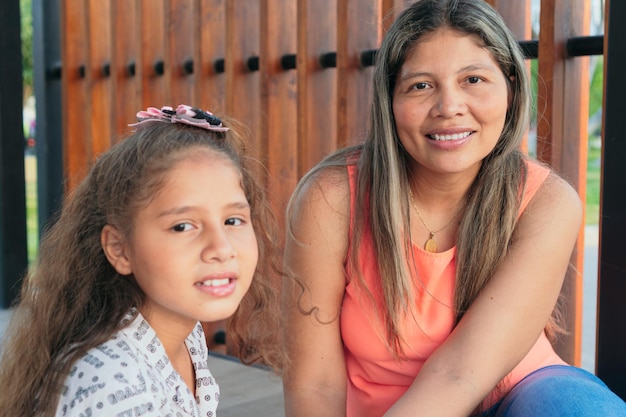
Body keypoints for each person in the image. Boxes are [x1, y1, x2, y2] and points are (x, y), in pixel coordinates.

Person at [281, 1, 626, 416]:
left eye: (474, 79)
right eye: (420, 86)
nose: (449, 107)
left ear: (512, 87)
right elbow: (313, 384)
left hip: (516, 397)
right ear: (390, 100)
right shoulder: (332, 198)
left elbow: (460, 373)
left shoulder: (546, 202)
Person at [0, 104, 283, 416]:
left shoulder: (185, 335)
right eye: (183, 226)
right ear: (120, 249)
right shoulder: (115, 383)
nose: (221, 247)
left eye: (233, 221)